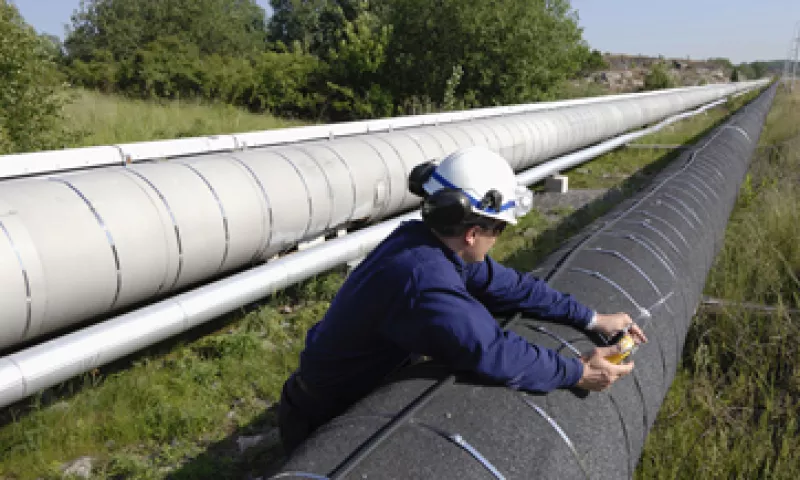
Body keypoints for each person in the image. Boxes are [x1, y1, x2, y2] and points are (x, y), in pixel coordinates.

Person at [278, 146, 648, 454]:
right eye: (500, 229)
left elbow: (514, 286)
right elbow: (490, 350)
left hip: (345, 389)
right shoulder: (424, 280)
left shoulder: (428, 243)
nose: (498, 239)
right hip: (323, 419)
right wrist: (580, 371)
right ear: (473, 233)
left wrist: (591, 319)